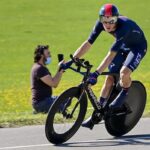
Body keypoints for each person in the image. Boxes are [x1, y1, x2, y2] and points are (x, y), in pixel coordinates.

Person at [62, 4, 147, 129]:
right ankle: (99, 111)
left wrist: (96, 73)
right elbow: (88, 43)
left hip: (137, 47)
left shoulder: (124, 27)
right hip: (123, 46)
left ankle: (125, 90)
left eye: (111, 21)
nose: (107, 24)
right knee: (110, 78)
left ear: (116, 19)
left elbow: (111, 55)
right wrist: (72, 60)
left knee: (124, 72)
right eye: (104, 21)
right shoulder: (101, 24)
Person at [31, 45, 64, 113]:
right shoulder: (39, 69)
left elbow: (54, 82)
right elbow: (54, 84)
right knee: (61, 107)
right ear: (41, 55)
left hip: (47, 99)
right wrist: (60, 69)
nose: (50, 56)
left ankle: (40, 111)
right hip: (41, 102)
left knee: (67, 99)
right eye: (48, 53)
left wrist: (61, 70)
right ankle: (39, 110)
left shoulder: (41, 67)